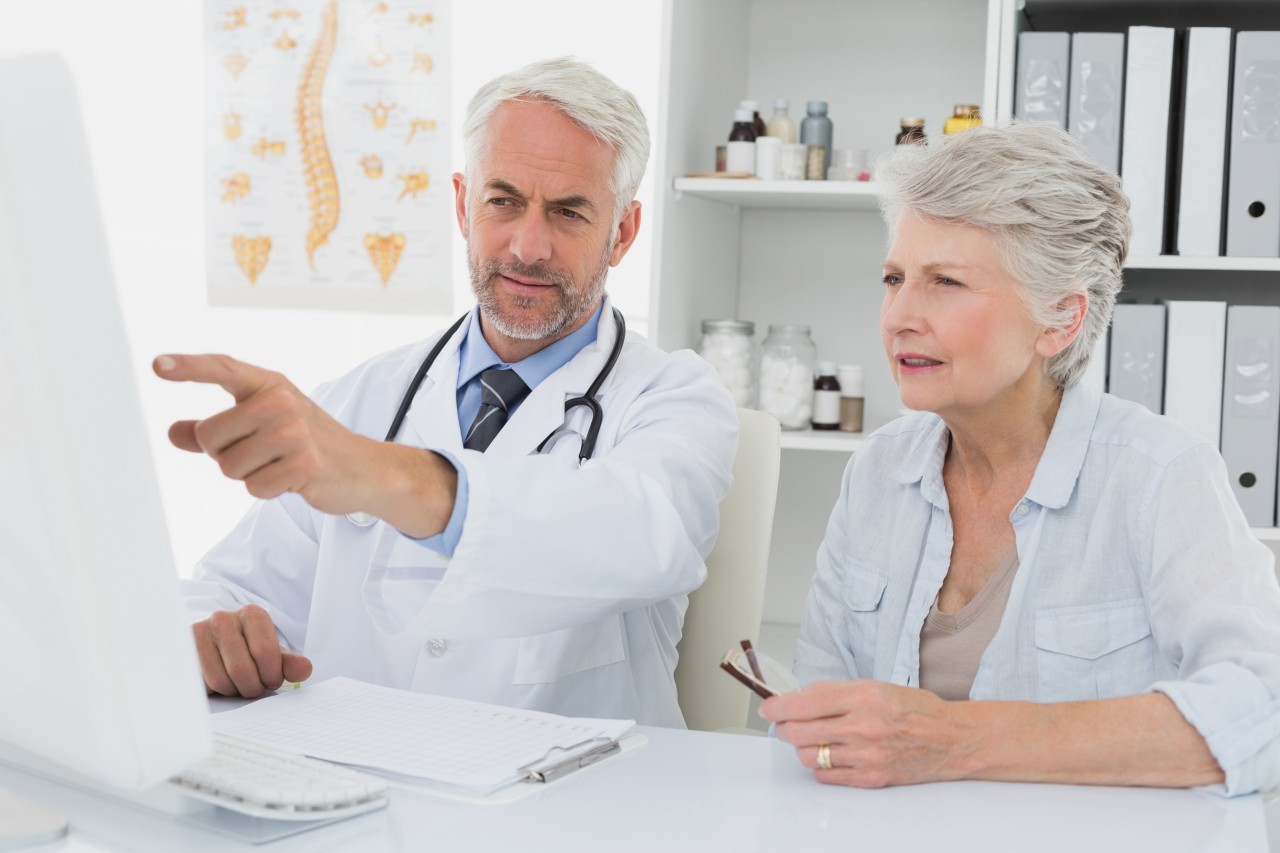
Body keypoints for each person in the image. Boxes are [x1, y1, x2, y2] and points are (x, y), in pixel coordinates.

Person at [154, 58, 738, 728]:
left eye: (569, 212)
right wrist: (213, 635)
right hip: (359, 801)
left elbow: (640, 534)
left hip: (566, 815)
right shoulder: (360, 395)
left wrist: (381, 476)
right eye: (504, 201)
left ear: (623, 232)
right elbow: (231, 588)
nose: (527, 245)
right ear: (463, 203)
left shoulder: (677, 400)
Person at [761, 122, 1280, 796]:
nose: (900, 316)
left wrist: (955, 741)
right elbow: (819, 705)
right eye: (895, 278)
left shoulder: (1158, 476)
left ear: (1059, 321)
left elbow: (1260, 708)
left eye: (946, 282)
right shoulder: (878, 471)